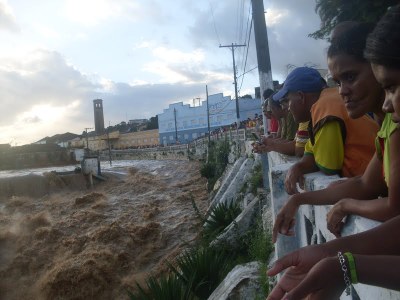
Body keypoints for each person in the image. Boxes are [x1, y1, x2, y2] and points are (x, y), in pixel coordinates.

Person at [267, 6, 400, 299]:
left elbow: (392, 206)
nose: (342, 91)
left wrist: (347, 206)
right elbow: (367, 183)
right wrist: (301, 199)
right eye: (338, 82)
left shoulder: (386, 122)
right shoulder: (386, 124)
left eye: (351, 77)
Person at [274, 67, 378, 196]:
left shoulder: (325, 109)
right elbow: (309, 152)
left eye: (288, 100)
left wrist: (303, 165)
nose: (288, 108)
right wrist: (298, 167)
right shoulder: (324, 102)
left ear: (301, 96)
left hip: (379, 186)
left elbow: (329, 167)